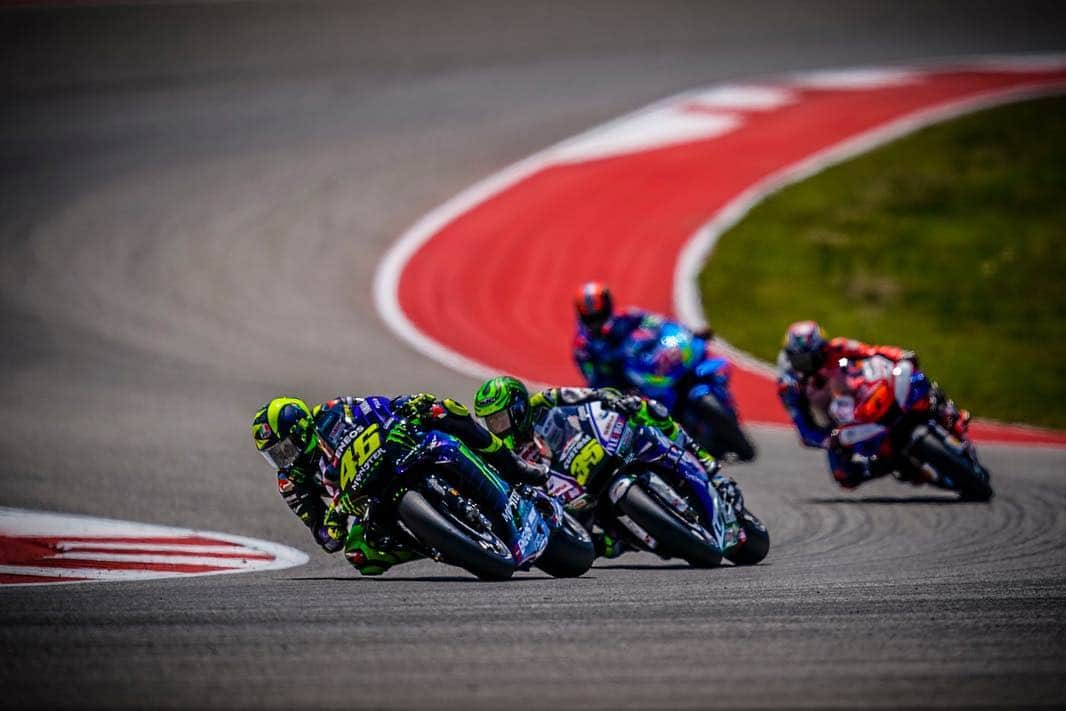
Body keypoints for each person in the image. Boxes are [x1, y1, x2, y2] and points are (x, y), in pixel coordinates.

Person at [251, 393, 545, 575]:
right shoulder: (292, 482)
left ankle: (513, 465)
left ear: (302, 431)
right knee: (360, 556)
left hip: (393, 454)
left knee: (443, 412)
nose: (284, 460)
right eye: (274, 456)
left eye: (285, 449)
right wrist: (336, 517)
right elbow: (326, 539)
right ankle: (441, 544)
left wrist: (404, 407)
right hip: (368, 500)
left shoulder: (333, 412)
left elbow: (380, 407)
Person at [472, 376, 742, 559]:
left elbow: (587, 396)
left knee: (651, 412)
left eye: (499, 418)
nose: (496, 426)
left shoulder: (544, 401)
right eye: (490, 421)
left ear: (518, 408)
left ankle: (708, 467)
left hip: (600, 450)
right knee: (595, 546)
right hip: (576, 497)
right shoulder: (506, 450)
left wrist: (612, 400)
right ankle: (634, 540)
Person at [776, 320, 971, 488]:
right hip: (847, 426)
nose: (806, 364)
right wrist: (831, 440)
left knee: (918, 382)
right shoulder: (790, 386)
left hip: (869, 395)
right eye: (800, 360)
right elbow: (805, 431)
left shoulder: (837, 348)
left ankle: (949, 416)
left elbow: (873, 351)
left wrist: (900, 355)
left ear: (821, 347)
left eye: (811, 357)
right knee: (844, 476)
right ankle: (897, 465)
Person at [572, 281, 713, 391]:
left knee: (696, 355)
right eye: (591, 317)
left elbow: (660, 323)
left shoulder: (627, 316)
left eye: (599, 314)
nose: (596, 320)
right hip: (629, 387)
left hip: (653, 366)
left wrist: (689, 333)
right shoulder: (583, 346)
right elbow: (593, 378)